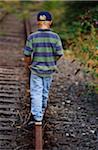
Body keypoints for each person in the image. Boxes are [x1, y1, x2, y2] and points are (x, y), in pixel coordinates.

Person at [24, 11, 64, 125]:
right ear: (50, 22)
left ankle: (37, 117)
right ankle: (40, 112)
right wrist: (52, 61)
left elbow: (27, 54)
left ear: (38, 22)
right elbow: (59, 53)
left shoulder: (32, 37)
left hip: (36, 70)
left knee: (36, 92)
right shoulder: (55, 37)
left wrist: (29, 64)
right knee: (45, 92)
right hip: (49, 70)